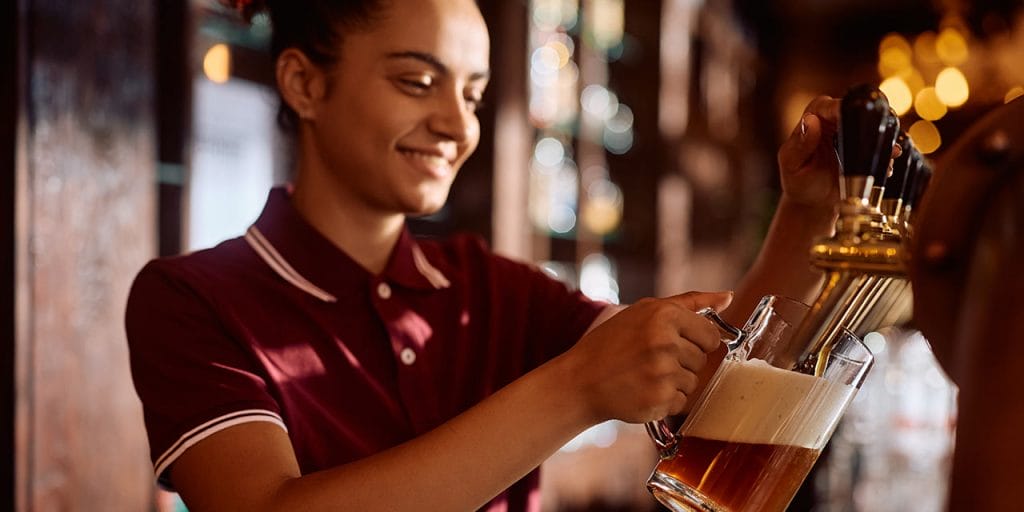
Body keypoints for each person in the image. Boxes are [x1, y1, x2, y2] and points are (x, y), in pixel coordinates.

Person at [124, 0, 843, 510]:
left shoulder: (489, 288)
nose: (454, 123)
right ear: (304, 83)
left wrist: (805, 213)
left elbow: (711, 373)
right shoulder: (190, 300)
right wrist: (575, 387)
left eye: (472, 95)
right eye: (417, 81)